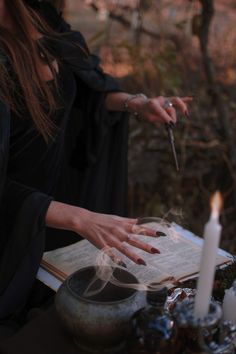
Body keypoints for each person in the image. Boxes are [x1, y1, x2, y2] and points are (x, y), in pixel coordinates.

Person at [0, 0, 192, 320]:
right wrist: (81, 219)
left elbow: (83, 95)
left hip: (59, 220)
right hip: (12, 237)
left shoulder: (40, 16)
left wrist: (136, 103)